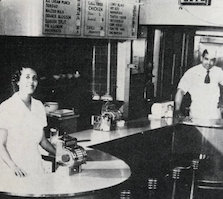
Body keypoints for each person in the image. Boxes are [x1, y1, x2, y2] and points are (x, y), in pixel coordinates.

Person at [0, 67, 56, 177]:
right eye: (27, 77)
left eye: (34, 78)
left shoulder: (39, 105)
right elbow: (0, 144)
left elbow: (43, 141)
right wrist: (14, 167)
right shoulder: (7, 107)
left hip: (34, 164)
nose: (31, 81)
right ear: (18, 82)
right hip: (13, 168)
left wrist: (59, 154)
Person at [175, 49, 223, 119]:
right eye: (206, 59)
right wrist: (177, 110)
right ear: (201, 58)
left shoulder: (218, 72)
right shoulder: (192, 72)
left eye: (212, 60)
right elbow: (180, 91)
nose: (209, 63)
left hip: (214, 114)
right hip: (197, 113)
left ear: (215, 61)